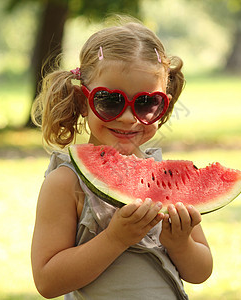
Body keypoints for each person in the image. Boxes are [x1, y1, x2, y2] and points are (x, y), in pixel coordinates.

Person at [30, 20, 213, 300]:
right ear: (83, 101)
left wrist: (180, 243)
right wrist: (115, 238)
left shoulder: (165, 179)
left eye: (146, 103)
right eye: (110, 101)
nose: (128, 118)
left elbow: (200, 272)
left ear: (164, 104)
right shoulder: (65, 182)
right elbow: (47, 281)